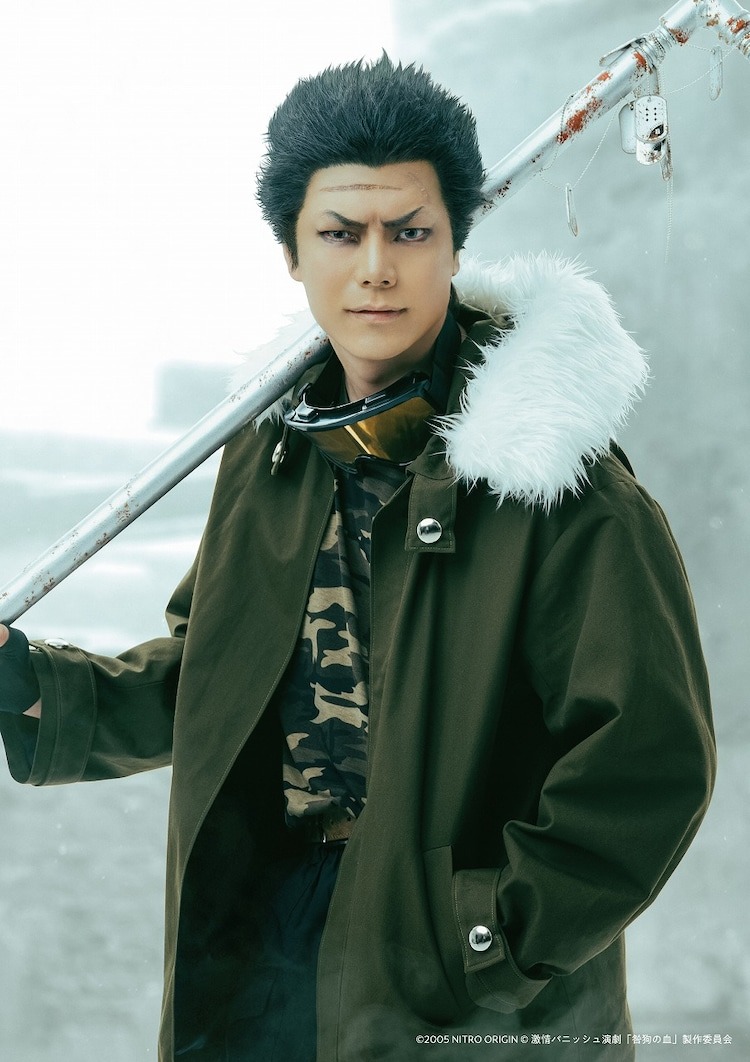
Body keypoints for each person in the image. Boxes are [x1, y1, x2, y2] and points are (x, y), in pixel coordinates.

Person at [0, 55, 716, 1062]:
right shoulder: (271, 451)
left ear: (456, 243)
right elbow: (221, 675)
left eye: (409, 232)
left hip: (453, 979)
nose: (376, 268)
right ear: (293, 254)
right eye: (340, 233)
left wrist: (485, 935)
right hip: (262, 936)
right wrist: (40, 690)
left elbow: (648, 762)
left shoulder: (558, 484)